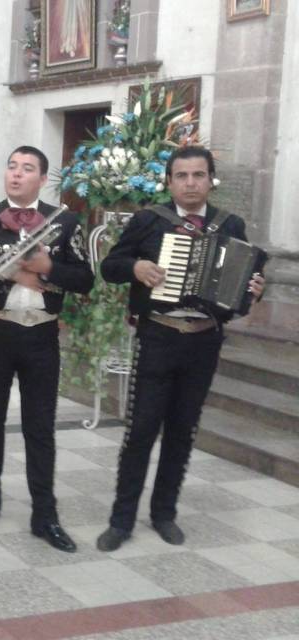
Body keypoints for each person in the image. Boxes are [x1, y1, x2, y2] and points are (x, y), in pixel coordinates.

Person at [96, 146, 265, 552]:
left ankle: (164, 514)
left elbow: (243, 287)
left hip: (204, 339)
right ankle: (121, 520)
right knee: (141, 430)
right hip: (159, 335)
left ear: (211, 180)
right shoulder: (149, 221)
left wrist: (254, 291)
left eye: (199, 175)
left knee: (182, 431)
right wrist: (135, 267)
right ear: (170, 181)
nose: (191, 183)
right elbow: (110, 267)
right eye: (182, 176)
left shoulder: (230, 224)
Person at [0, 145, 93, 553]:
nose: (16, 174)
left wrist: (47, 269)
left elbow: (85, 278)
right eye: (11, 166)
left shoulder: (65, 222)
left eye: (27, 168)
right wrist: (14, 272)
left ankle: (44, 514)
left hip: (42, 335)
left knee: (40, 425)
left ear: (43, 179)